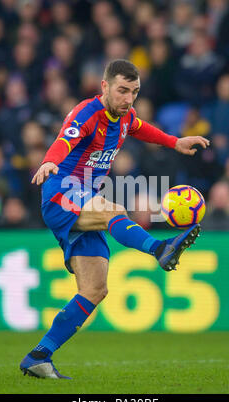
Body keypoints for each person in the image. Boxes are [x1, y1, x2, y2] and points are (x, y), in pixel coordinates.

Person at [20, 59, 209, 379]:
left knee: (94, 289)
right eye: (122, 90)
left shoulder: (126, 117)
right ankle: (159, 249)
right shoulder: (88, 112)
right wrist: (50, 162)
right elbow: (64, 140)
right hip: (61, 191)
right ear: (104, 86)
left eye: (134, 92)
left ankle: (39, 356)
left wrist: (175, 141)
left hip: (83, 203)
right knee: (112, 210)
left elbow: (142, 128)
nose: (128, 98)